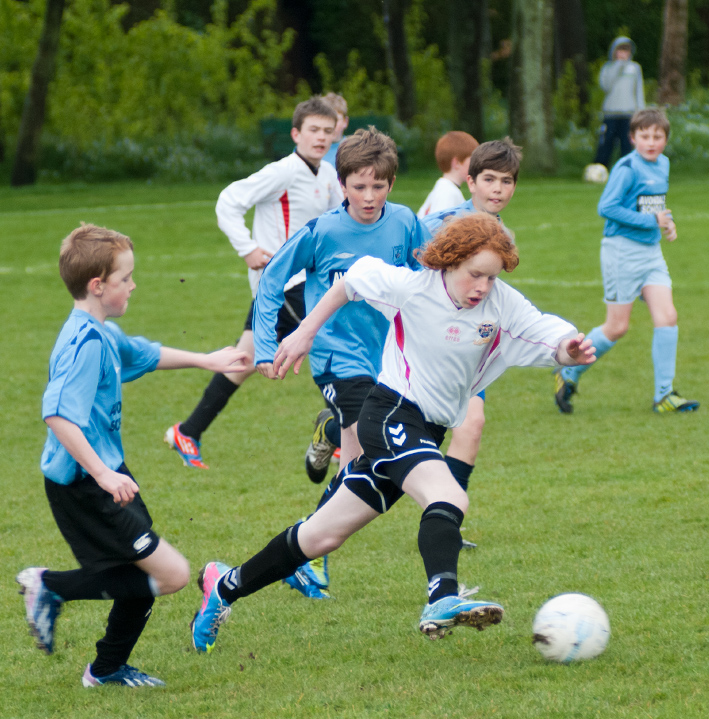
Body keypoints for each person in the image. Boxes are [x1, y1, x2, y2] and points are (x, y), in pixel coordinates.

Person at [189, 213, 595, 652]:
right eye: (474, 274)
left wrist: (568, 347)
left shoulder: (500, 304)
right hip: (391, 414)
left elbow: (543, 330)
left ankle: (224, 586)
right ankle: (442, 598)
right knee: (450, 496)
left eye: (491, 277)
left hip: (429, 428)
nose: (482, 286)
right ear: (449, 262)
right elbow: (353, 280)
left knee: (321, 536)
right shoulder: (416, 288)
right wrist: (306, 332)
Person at [16, 223, 246, 688]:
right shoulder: (82, 345)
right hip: (85, 483)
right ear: (98, 286)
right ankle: (49, 586)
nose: (133, 285)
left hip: (104, 474)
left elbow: (144, 353)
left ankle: (105, 670)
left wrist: (209, 360)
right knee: (173, 574)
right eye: (126, 278)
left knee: (139, 574)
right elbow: (58, 416)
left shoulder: (100, 332)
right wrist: (102, 473)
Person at [251, 126, 428, 598]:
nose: (369, 197)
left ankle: (326, 434)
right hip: (335, 356)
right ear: (342, 183)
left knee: (358, 458)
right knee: (359, 459)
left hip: (387, 358)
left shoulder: (407, 223)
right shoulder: (324, 230)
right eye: (359, 186)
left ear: (391, 184)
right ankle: (311, 557)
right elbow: (271, 280)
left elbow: (431, 277)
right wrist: (267, 347)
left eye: (379, 186)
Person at [164, 96, 342, 469]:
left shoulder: (327, 175)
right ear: (296, 133)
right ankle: (339, 432)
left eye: (328, 130)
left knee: (243, 359)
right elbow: (229, 201)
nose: (321, 137)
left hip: (305, 281)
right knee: (329, 338)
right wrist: (247, 248)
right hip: (280, 282)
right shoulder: (282, 171)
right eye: (313, 130)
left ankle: (188, 431)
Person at [555, 108, 699, 414]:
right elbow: (606, 207)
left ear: (665, 139)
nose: (651, 142)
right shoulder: (627, 167)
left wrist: (666, 223)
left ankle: (664, 395)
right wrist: (651, 221)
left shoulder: (664, 165)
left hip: (651, 254)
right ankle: (569, 371)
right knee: (617, 327)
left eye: (657, 136)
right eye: (644, 136)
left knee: (667, 317)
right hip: (621, 251)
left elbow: (653, 206)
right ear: (632, 138)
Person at [421, 138, 521, 498]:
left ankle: (446, 517)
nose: (498, 188)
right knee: (386, 447)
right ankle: (337, 431)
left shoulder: (502, 233)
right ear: (471, 181)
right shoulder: (444, 225)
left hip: (467, 348)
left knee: (471, 425)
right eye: (490, 179)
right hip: (423, 347)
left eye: (507, 181)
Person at [592, 37, 645, 169]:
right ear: (614, 52)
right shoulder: (608, 68)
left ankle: (627, 170)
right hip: (611, 113)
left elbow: (638, 90)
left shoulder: (635, 68)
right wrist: (617, 67)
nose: (623, 53)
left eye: (626, 50)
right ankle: (600, 169)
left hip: (628, 113)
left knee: (627, 144)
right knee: (606, 143)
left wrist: (641, 111)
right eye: (620, 50)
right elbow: (605, 86)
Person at [417, 131, 479, 217]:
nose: (476, 164)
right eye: (472, 160)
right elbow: (438, 227)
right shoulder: (448, 193)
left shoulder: (445, 188)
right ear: (456, 163)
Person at [322, 92, 349, 167]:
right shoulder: (306, 149)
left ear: (345, 122)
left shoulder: (354, 151)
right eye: (326, 119)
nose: (331, 126)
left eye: (336, 120)